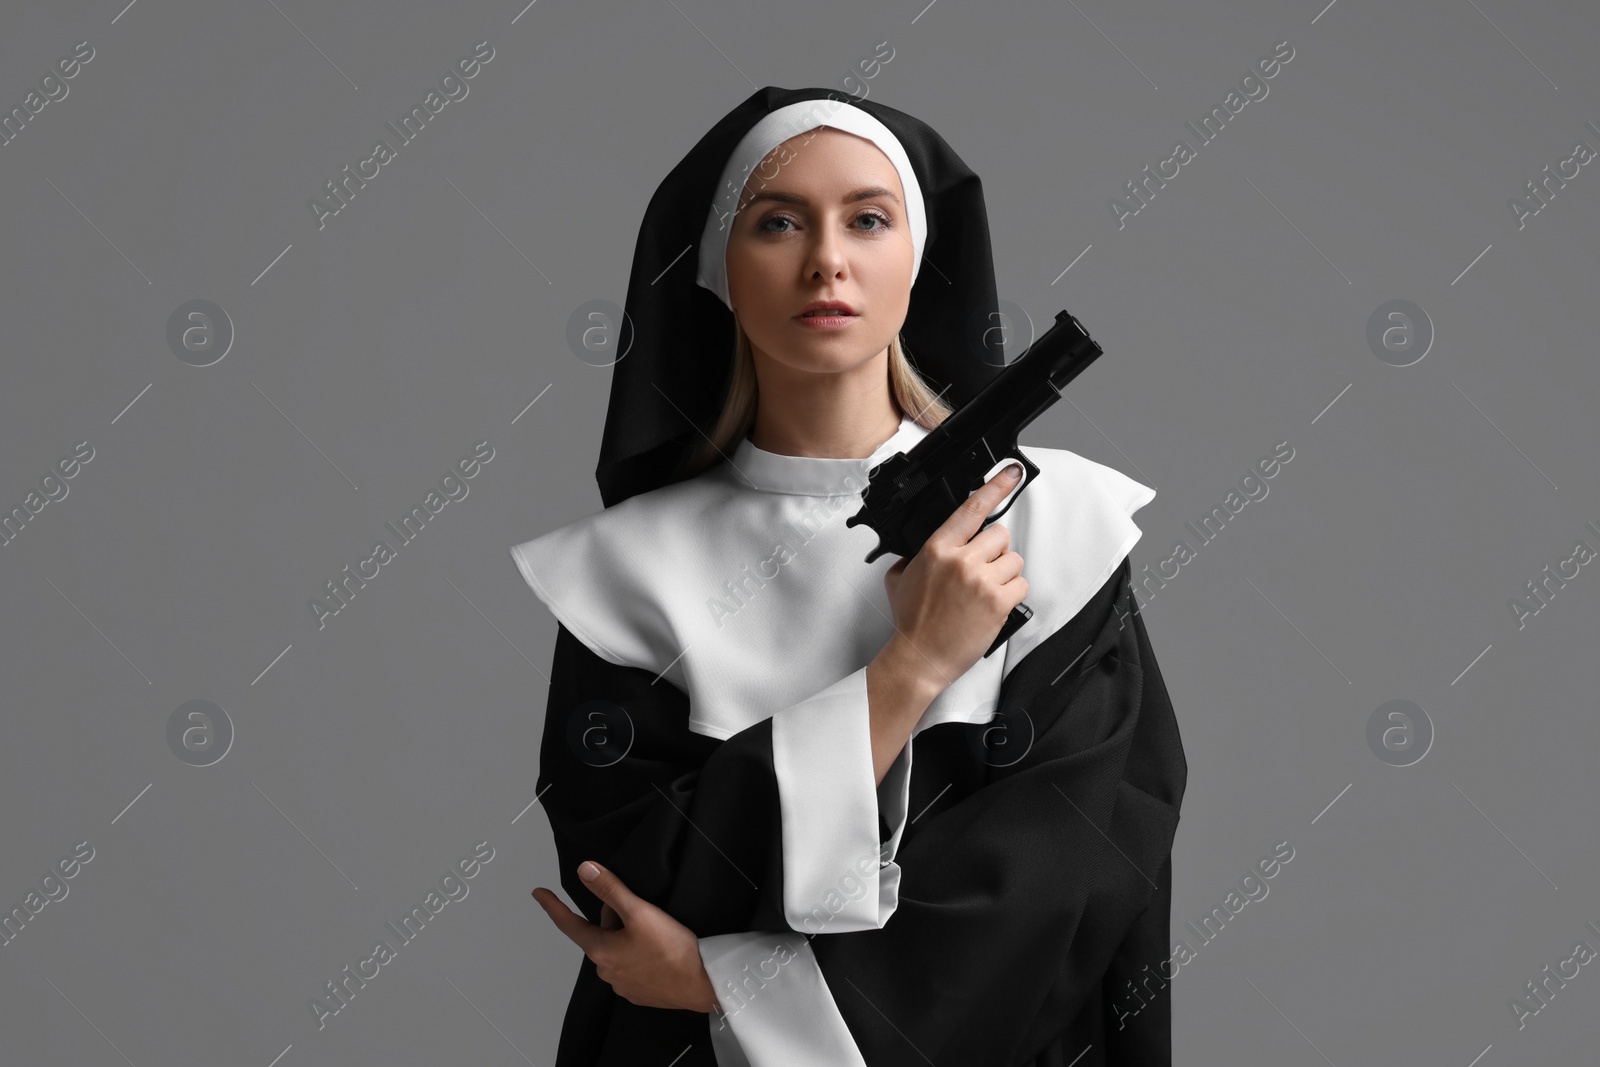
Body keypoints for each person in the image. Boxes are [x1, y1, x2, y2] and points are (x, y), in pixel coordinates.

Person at [510, 85, 1187, 1066]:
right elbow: (633, 877)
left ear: (917, 259)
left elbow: (1068, 880)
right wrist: (908, 669)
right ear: (715, 269)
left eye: (868, 219)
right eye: (777, 222)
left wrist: (718, 979)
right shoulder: (628, 572)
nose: (826, 260)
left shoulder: (1055, 529)